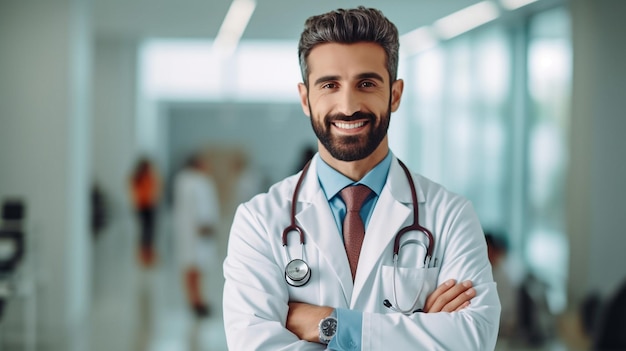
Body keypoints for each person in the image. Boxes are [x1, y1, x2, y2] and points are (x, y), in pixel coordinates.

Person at [223, 6, 500, 350]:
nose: (348, 104)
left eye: (366, 83)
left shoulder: (450, 216)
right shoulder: (259, 221)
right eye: (329, 85)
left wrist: (329, 324)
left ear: (395, 94)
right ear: (305, 98)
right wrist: (420, 331)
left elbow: (473, 339)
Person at [173, 153, 221, 317]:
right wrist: (207, 225)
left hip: (188, 230)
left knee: (191, 266)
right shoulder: (199, 182)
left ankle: (194, 300)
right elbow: (204, 207)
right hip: (199, 230)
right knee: (195, 267)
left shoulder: (183, 180)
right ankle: (196, 301)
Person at [129, 157, 161, 268]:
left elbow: (156, 188)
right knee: (145, 231)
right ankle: (144, 255)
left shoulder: (148, 176)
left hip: (148, 205)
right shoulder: (139, 177)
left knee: (149, 231)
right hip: (143, 206)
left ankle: (149, 254)